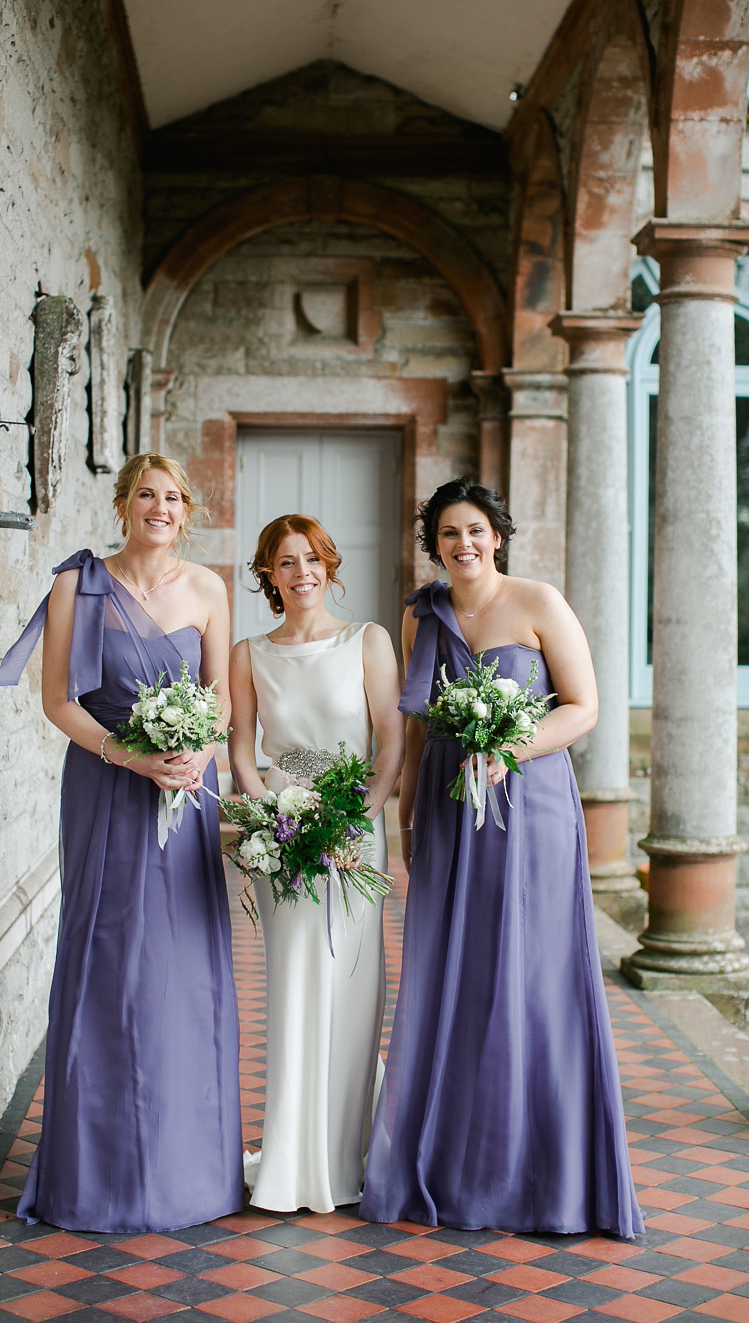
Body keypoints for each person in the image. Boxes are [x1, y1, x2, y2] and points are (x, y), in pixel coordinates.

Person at [361, 477, 643, 1238]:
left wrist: (510, 746)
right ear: (435, 544)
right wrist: (410, 820)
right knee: (463, 975)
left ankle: (543, 1170)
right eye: (449, 533)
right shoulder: (425, 616)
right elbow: (417, 731)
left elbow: (583, 708)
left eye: (476, 530)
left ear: (498, 534)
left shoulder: (540, 602)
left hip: (534, 807)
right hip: (451, 812)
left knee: (533, 972)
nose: (464, 544)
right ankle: (454, 1159)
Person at [0, 452, 243, 1233]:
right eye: (146, 494)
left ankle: (187, 1170)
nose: (160, 508)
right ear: (123, 502)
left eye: (173, 498)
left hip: (186, 793)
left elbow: (221, 699)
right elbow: (58, 701)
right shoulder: (79, 584)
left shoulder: (209, 588)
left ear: (186, 511)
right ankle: (96, 1171)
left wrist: (200, 753)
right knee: (109, 959)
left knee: (181, 965)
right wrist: (131, 755)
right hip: (106, 787)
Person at [229, 515, 404, 1213]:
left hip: (356, 832)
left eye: (312, 560)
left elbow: (391, 742)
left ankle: (346, 1154)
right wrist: (267, 810)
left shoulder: (369, 641)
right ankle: (294, 1157)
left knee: (353, 989)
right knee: (296, 986)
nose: (301, 572)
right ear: (268, 575)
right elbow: (242, 747)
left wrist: (360, 817)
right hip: (286, 835)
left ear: (331, 567)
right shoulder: (248, 653)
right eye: (285, 562)